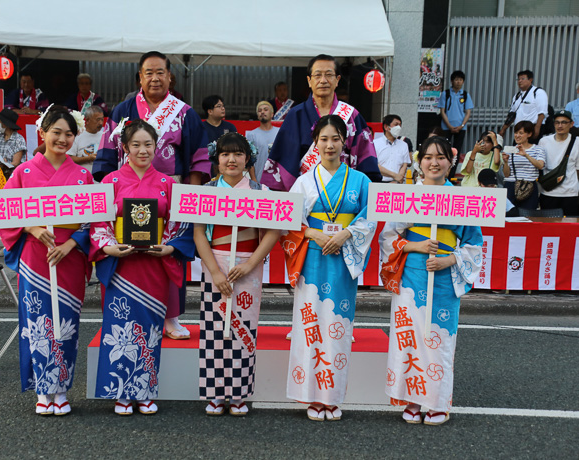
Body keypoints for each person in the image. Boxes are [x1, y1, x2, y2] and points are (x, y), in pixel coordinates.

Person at [94, 50, 210, 340]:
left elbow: (197, 159)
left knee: (168, 250)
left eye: (161, 72)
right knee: (129, 253)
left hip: (169, 189)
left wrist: (190, 198)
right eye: (149, 72)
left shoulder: (185, 113)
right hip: (127, 186)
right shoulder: (124, 109)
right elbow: (109, 153)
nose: (155, 78)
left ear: (170, 76)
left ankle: (171, 316)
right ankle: (121, 309)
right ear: (140, 77)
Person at [90, 120, 194, 415]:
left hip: (154, 266)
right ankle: (121, 392)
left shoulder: (168, 183)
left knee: (150, 330)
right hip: (122, 267)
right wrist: (108, 247)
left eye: (148, 144)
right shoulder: (110, 181)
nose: (142, 150)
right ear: (124, 148)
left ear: (156, 146)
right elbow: (99, 224)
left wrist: (171, 247)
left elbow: (181, 224)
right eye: (135, 144)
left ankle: (145, 390)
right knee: (120, 330)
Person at [380, 136, 483, 426]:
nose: (434, 163)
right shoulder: (407, 196)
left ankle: (437, 402)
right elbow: (388, 237)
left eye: (440, 158)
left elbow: (474, 243)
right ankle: (412, 398)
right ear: (419, 162)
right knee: (409, 337)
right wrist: (414, 247)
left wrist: (450, 260)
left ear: (451, 163)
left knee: (439, 340)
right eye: (428, 157)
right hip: (411, 276)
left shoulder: (462, 198)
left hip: (444, 278)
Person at [280, 115, 376, 421]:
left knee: (337, 327)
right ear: (315, 143)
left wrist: (346, 234)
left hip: (343, 256)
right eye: (324, 139)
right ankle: (311, 395)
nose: (330, 144)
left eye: (335, 138)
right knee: (310, 325)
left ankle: (332, 397)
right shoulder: (304, 181)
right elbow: (289, 221)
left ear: (345, 141)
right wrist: (314, 233)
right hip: (313, 256)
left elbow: (369, 218)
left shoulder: (361, 181)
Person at [0, 107, 93, 416]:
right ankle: (43, 389)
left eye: (69, 134)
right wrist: (31, 226)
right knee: (37, 324)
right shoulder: (23, 172)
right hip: (36, 257)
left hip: (69, 258)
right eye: (57, 132)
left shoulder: (83, 175)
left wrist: (72, 244)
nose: (63, 139)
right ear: (43, 133)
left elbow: (94, 220)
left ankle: (62, 388)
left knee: (65, 324)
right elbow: (3, 211)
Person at [193, 133, 280, 417]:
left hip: (249, 265)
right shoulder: (206, 192)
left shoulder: (259, 192)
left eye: (238, 154)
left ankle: (240, 393)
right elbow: (198, 233)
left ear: (248, 158)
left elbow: (272, 232)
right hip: (214, 263)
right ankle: (216, 393)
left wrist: (252, 263)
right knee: (214, 329)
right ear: (216, 159)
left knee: (244, 329)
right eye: (225, 154)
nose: (231, 160)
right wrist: (215, 272)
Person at [261, 54, 381, 192]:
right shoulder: (295, 115)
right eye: (317, 75)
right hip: (306, 196)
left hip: (345, 195)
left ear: (337, 80)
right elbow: (283, 160)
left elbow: (366, 158)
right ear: (309, 81)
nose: (323, 80)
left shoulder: (352, 116)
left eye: (329, 75)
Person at [538, 110, 579, 216]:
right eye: (557, 122)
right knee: (548, 228)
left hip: (570, 193)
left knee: (570, 228)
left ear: (571, 124)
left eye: (564, 122)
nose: (560, 125)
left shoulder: (577, 142)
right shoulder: (544, 141)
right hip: (548, 192)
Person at [502, 121, 546, 210]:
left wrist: (526, 155)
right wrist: (506, 162)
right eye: (516, 132)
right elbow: (506, 174)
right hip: (510, 185)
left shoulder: (538, 149)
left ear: (529, 134)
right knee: (508, 216)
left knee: (528, 217)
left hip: (529, 186)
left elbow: (540, 165)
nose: (517, 135)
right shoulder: (510, 150)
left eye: (521, 133)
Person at [499, 70, 548, 141]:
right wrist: (503, 129)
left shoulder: (538, 92)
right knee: (517, 150)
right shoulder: (517, 95)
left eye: (522, 79)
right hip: (519, 129)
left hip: (532, 128)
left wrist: (537, 128)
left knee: (530, 151)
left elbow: (542, 113)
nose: (520, 81)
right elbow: (512, 114)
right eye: (518, 79)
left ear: (530, 80)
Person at [437, 70, 473, 156]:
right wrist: (449, 126)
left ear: (463, 81)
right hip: (446, 127)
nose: (458, 82)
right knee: (444, 149)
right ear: (452, 81)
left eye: (460, 80)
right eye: (456, 79)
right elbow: (442, 111)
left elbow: (468, 113)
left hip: (461, 128)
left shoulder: (465, 95)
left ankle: (453, 170)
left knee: (457, 150)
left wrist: (462, 126)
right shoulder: (445, 94)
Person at [245, 101, 280, 182]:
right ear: (257, 115)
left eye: (265, 109)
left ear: (272, 114)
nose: (262, 112)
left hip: (276, 180)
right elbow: (250, 160)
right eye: (260, 110)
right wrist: (254, 179)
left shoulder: (279, 133)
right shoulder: (251, 135)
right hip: (259, 179)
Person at [67, 105, 104, 172]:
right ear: (87, 120)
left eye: (102, 119)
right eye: (98, 120)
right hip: (81, 178)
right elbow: (69, 158)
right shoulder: (77, 135)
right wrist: (87, 158)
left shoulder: (105, 136)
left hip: (99, 180)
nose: (101, 123)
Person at [0, 108, 27, 177]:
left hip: (13, 176)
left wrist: (4, 164)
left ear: (4, 124)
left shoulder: (19, 139)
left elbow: (16, 163)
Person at [375, 114, 410, 184]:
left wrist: (398, 179)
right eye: (396, 124)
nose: (399, 127)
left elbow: (404, 164)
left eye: (400, 125)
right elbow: (374, 165)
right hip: (378, 182)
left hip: (397, 183)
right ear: (386, 127)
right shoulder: (375, 143)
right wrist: (394, 175)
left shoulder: (404, 145)